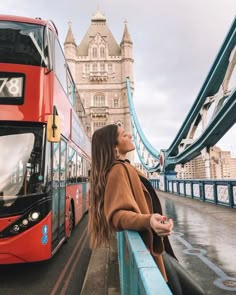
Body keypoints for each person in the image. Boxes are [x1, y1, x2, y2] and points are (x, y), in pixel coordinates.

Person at [89, 124, 205, 295]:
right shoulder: (118, 170)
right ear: (114, 147)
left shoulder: (125, 167)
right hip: (150, 248)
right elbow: (117, 215)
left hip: (155, 246)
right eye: (123, 135)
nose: (129, 135)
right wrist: (148, 220)